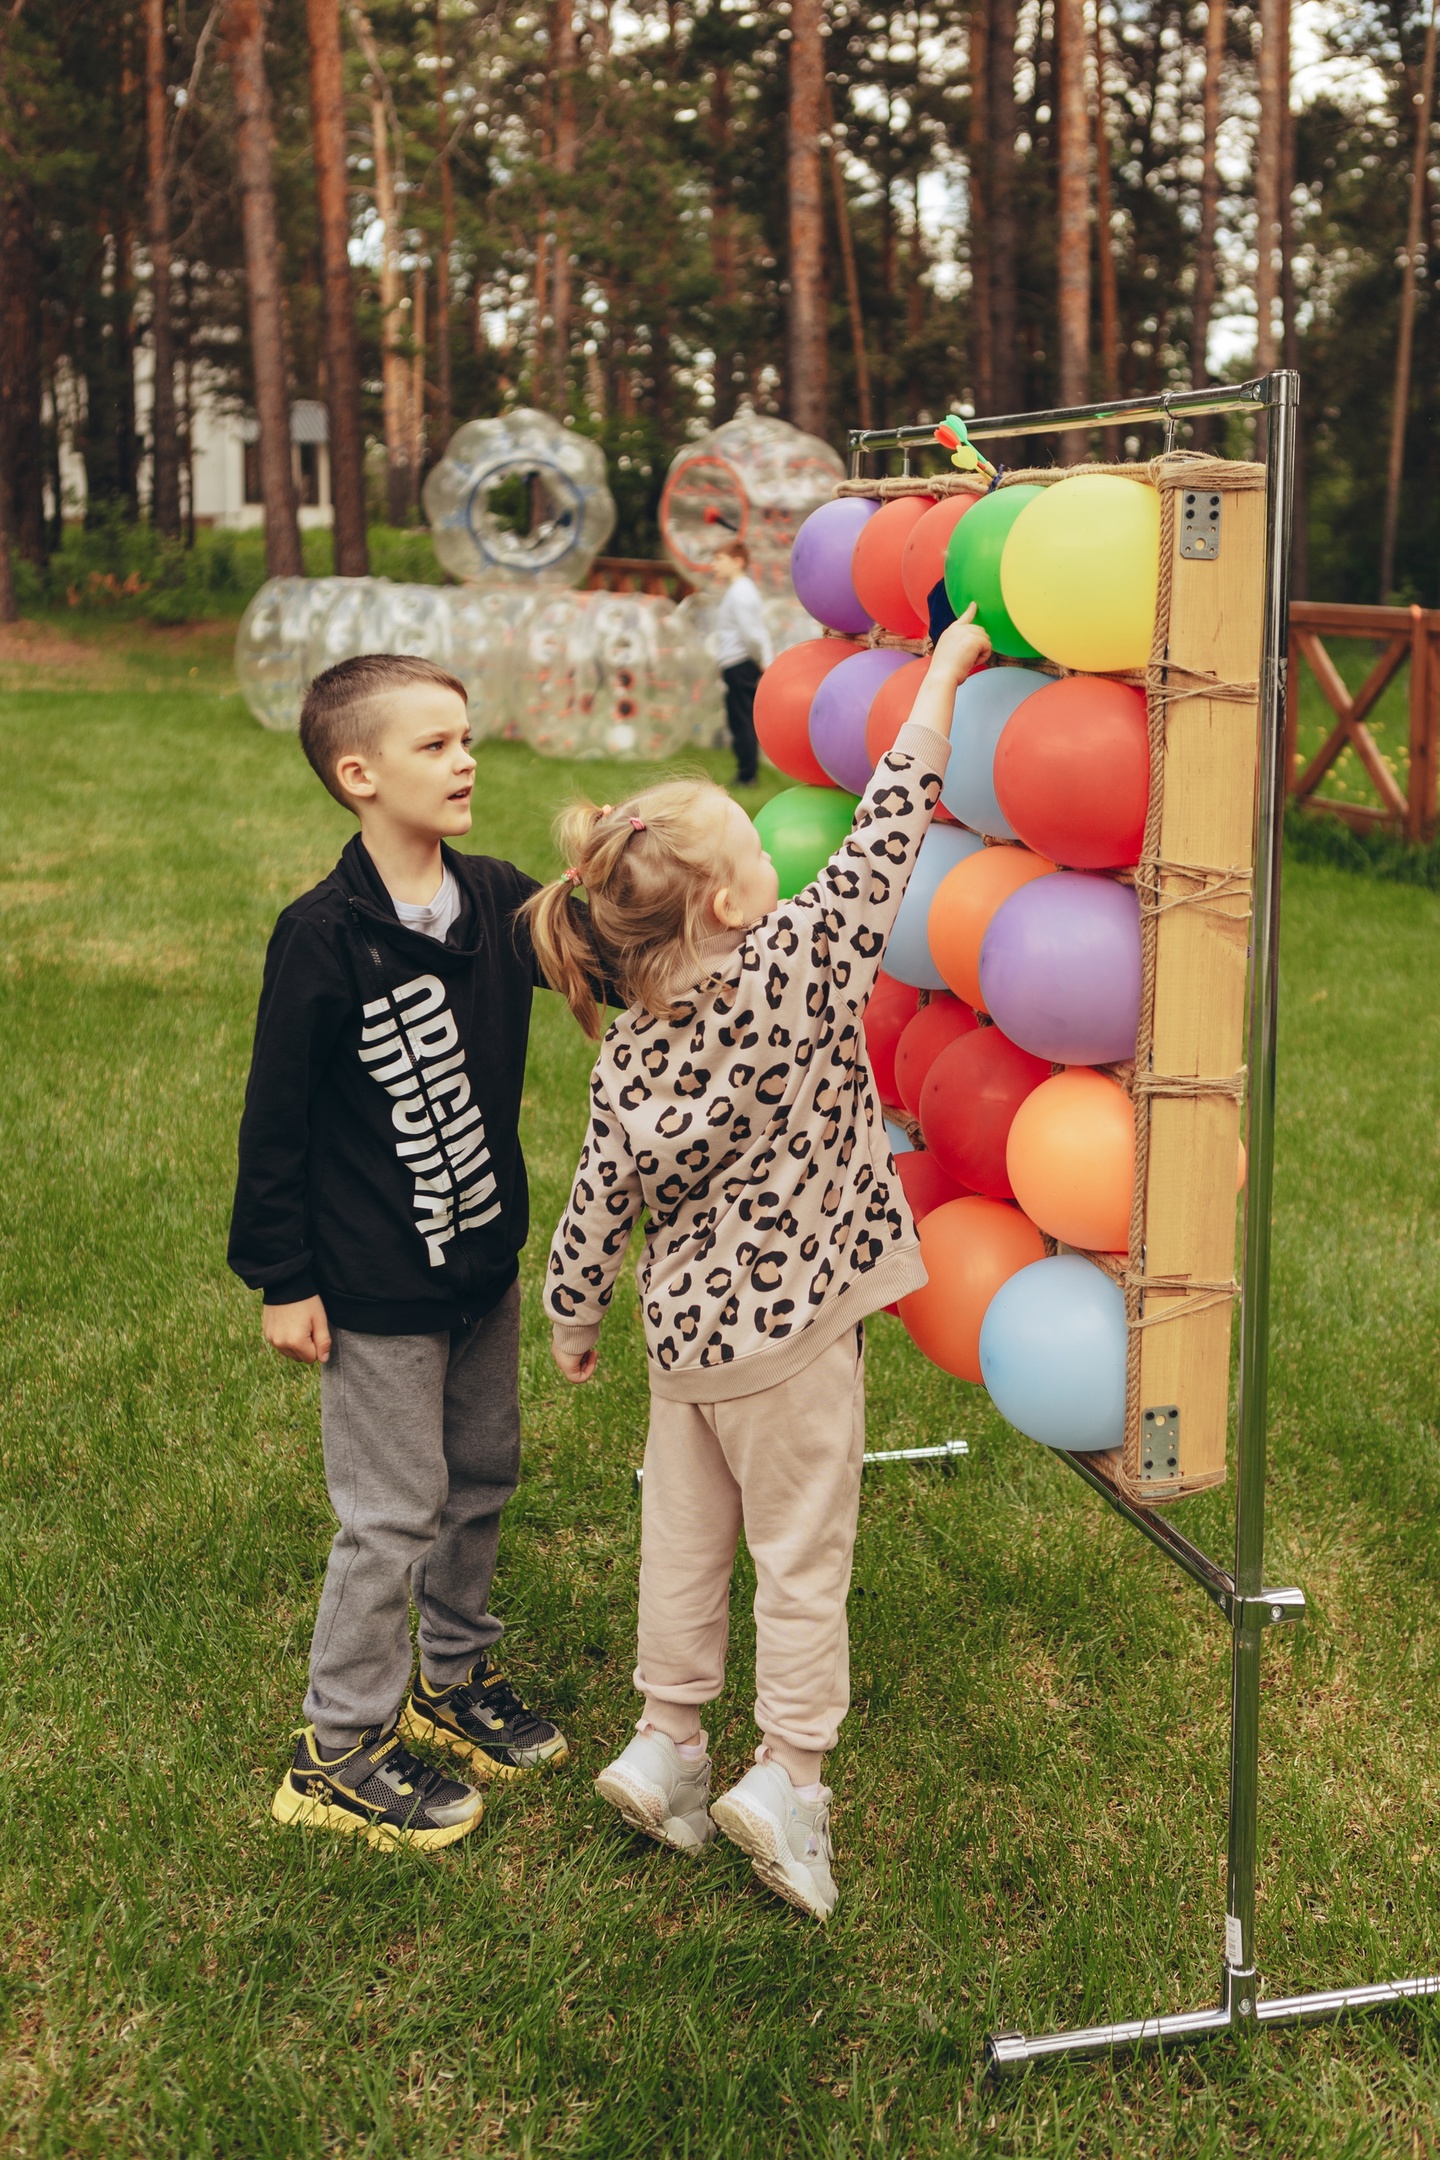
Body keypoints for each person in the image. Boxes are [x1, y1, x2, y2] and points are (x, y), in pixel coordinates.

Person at [524, 607, 991, 1920]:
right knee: (799, 1558)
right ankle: (787, 1777)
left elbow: (596, 1199)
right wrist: (946, 672)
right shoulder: (803, 962)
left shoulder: (629, 1049)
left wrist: (572, 1318)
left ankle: (667, 1743)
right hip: (794, 1347)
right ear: (733, 902)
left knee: (682, 1544)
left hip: (684, 1352)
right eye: (752, 846)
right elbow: (890, 824)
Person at [229, 652, 572, 1852]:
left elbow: (602, 944)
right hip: (374, 1284)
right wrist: (284, 1279)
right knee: (391, 1513)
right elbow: (274, 1120)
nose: (466, 760)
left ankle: (451, 1679)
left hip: (479, 1264)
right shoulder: (322, 937)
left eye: (466, 738)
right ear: (358, 775)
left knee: (481, 1475)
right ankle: (336, 1749)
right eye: (435, 745)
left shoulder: (496, 899)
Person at [711, 539, 773, 786]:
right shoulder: (739, 590)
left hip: (740, 663)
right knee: (740, 718)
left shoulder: (740, 593)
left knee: (742, 719)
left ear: (738, 562)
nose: (714, 565)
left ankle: (747, 775)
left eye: (719, 560)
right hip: (737, 663)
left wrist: (763, 660)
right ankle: (746, 772)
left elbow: (753, 633)